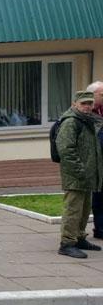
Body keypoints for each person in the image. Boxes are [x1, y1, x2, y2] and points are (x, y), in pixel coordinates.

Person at [56, 90, 103, 259]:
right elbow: (66, 150)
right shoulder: (71, 122)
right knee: (73, 210)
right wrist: (79, 171)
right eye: (84, 103)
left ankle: (79, 238)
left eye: (90, 103)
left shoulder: (86, 121)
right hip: (76, 175)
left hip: (87, 175)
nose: (87, 107)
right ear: (74, 104)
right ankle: (67, 243)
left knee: (84, 210)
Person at [88, 81, 103, 239]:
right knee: (98, 196)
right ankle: (100, 229)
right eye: (102, 94)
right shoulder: (86, 114)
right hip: (95, 162)